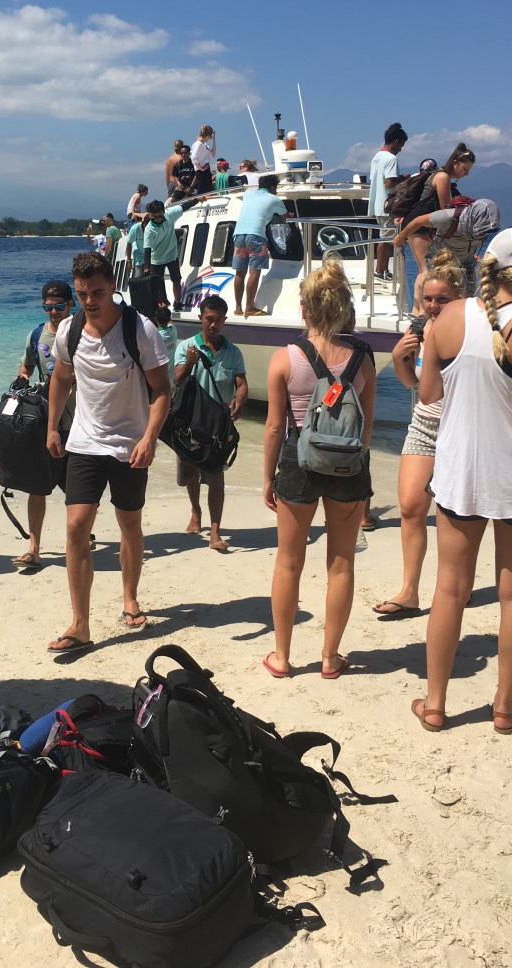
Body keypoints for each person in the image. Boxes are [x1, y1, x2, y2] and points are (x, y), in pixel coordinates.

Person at [411, 226, 512, 734]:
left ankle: (436, 705)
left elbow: (429, 396)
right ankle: (504, 707)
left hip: (460, 474)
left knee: (449, 591)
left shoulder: (450, 316)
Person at [45, 252, 171, 652]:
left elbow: (162, 391)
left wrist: (150, 437)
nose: (89, 301)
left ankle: (130, 597)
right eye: (82, 293)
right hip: (84, 442)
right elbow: (61, 379)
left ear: (113, 285)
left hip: (129, 445)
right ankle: (79, 623)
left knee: (129, 525)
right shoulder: (70, 330)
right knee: (75, 527)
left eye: (97, 292)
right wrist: (51, 426)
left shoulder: (140, 329)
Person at [262, 260, 376, 679]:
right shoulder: (363, 358)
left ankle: (282, 656)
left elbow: (275, 427)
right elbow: (366, 428)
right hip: (348, 465)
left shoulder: (285, 359)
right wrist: (361, 477)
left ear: (305, 310)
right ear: (345, 308)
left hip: (298, 461)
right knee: (341, 562)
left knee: (289, 562)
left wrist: (267, 477)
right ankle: (330, 658)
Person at [372, 251, 466, 618]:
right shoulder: (419, 331)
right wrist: (399, 360)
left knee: (453, 516)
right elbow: (417, 387)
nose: (433, 305)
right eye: (428, 298)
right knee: (411, 507)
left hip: (460, 430)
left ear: (459, 298)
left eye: (442, 299)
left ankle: (455, 585)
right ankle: (409, 591)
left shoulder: (470, 333)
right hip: (424, 425)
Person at [173, 296, 247, 552]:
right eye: (209, 319)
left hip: (217, 426)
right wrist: (191, 362)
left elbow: (240, 383)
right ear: (201, 318)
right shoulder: (186, 347)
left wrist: (239, 399)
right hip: (189, 423)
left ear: (225, 321)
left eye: (218, 320)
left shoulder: (233, 352)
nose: (213, 325)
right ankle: (196, 511)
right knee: (190, 475)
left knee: (216, 479)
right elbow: (177, 379)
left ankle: (215, 531)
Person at [13, 279, 77, 572]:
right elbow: (26, 366)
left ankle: (80, 535)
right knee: (36, 486)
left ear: (70, 304)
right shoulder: (37, 334)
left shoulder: (83, 333)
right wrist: (21, 381)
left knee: (78, 490)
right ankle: (34, 548)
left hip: (79, 422)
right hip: (45, 421)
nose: (53, 312)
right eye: (48, 307)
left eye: (59, 306)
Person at [397, 144, 476, 312]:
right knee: (426, 270)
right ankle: (421, 313)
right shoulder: (443, 177)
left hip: (416, 223)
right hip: (419, 225)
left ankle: (416, 311)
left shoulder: (438, 174)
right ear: (455, 163)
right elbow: (444, 209)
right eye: (465, 168)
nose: (466, 173)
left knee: (422, 269)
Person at [394, 196, 499, 292]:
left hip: (466, 262)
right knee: (442, 293)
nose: (484, 234)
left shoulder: (485, 229)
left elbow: (471, 240)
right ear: (474, 219)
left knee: (467, 298)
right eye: (482, 230)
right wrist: (401, 237)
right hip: (441, 259)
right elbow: (418, 221)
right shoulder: (449, 217)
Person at [231, 173, 289, 317]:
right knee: (254, 272)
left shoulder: (249, 194)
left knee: (240, 272)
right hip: (256, 236)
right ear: (272, 187)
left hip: (238, 235)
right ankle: (249, 308)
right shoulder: (274, 199)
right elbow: (285, 216)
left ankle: (238, 308)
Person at [143, 195, 208, 310]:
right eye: (155, 217)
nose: (158, 219)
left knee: (176, 279)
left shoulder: (169, 215)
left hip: (172, 255)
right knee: (158, 284)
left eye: (160, 216)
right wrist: (146, 267)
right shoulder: (149, 229)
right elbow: (147, 249)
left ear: (163, 211)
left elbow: (184, 206)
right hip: (156, 259)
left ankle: (177, 303)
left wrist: (198, 199)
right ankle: (163, 304)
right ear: (151, 215)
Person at [368, 122, 409, 280]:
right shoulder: (391, 159)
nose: (401, 149)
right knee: (386, 239)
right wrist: (404, 179)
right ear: (396, 141)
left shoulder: (376, 157)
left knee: (384, 236)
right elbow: (390, 183)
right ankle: (379, 270)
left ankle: (383, 270)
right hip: (388, 205)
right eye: (402, 145)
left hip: (378, 204)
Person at [190, 124, 216, 194]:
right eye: (210, 137)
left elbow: (213, 154)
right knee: (202, 192)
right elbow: (193, 158)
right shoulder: (198, 144)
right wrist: (201, 168)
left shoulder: (204, 144)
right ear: (207, 136)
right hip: (201, 172)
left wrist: (214, 140)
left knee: (208, 191)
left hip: (206, 171)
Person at [125, 214, 148, 279]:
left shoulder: (153, 228)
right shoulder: (135, 228)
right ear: (143, 223)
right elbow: (129, 244)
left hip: (152, 257)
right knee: (138, 278)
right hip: (139, 257)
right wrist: (129, 260)